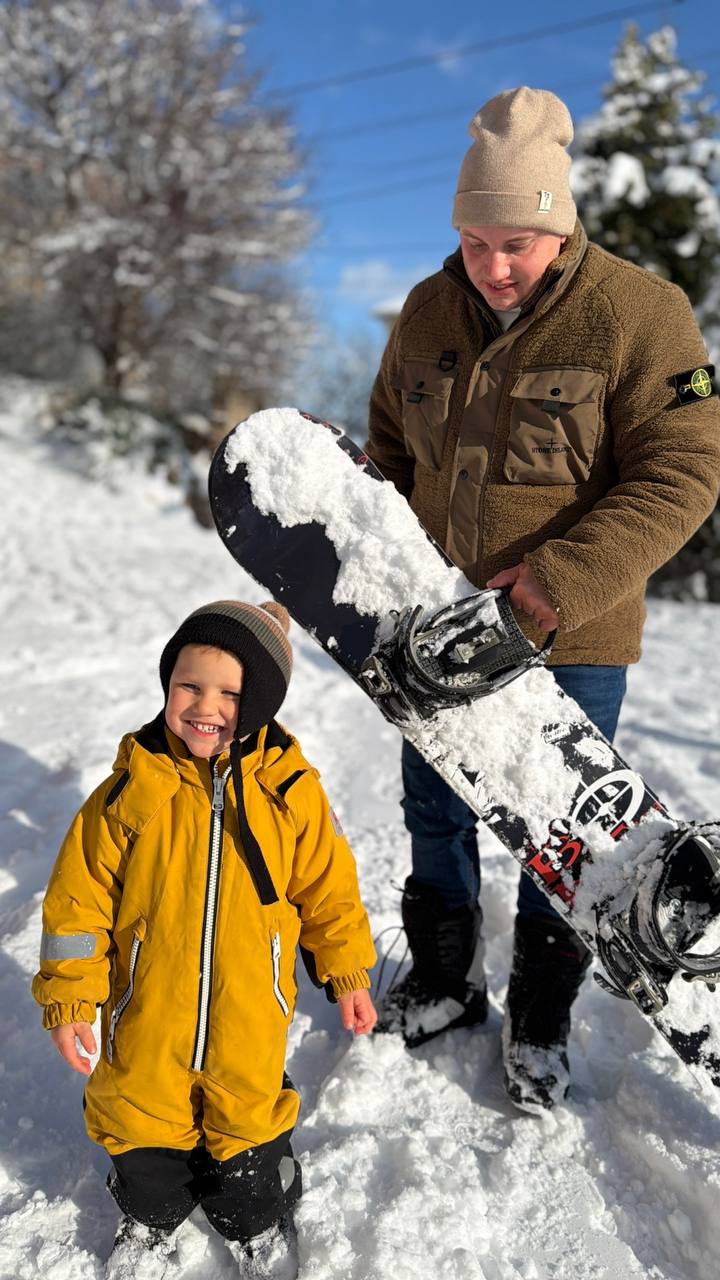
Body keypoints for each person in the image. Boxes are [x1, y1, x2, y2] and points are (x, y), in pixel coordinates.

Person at [367, 86, 720, 1112]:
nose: (493, 266)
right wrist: (393, 577)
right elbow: (389, 454)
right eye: (474, 241)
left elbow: (686, 470)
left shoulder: (642, 313)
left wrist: (559, 581)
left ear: (559, 222)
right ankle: (444, 982)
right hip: (441, 627)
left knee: (560, 839)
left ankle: (542, 1016)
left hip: (575, 632)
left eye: (515, 242)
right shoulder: (426, 313)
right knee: (435, 810)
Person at [32, 599, 377, 1276]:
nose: (204, 707)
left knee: (248, 1122)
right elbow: (77, 902)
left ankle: (254, 1215)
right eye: (188, 685)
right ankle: (150, 1211)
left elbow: (329, 889)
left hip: (250, 1010)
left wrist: (347, 971)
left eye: (229, 694)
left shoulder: (289, 791)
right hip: (146, 1011)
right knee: (139, 1120)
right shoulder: (132, 790)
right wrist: (69, 998)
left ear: (261, 703)